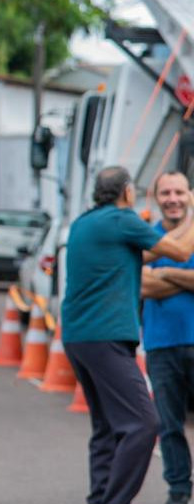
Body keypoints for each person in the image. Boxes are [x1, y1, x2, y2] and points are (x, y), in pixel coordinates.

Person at [63, 166, 194, 504]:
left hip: (79, 338)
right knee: (142, 423)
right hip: (105, 337)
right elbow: (180, 253)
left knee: (107, 428)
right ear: (127, 193)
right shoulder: (123, 219)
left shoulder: (85, 223)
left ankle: (100, 498)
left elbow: (147, 257)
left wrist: (160, 273)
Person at [142, 172, 194, 504]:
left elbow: (151, 280)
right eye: (165, 192)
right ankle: (179, 491)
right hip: (161, 345)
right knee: (169, 425)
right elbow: (139, 283)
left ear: (189, 195)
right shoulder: (146, 237)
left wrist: (162, 273)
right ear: (155, 197)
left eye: (178, 191)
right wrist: (185, 278)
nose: (172, 198)